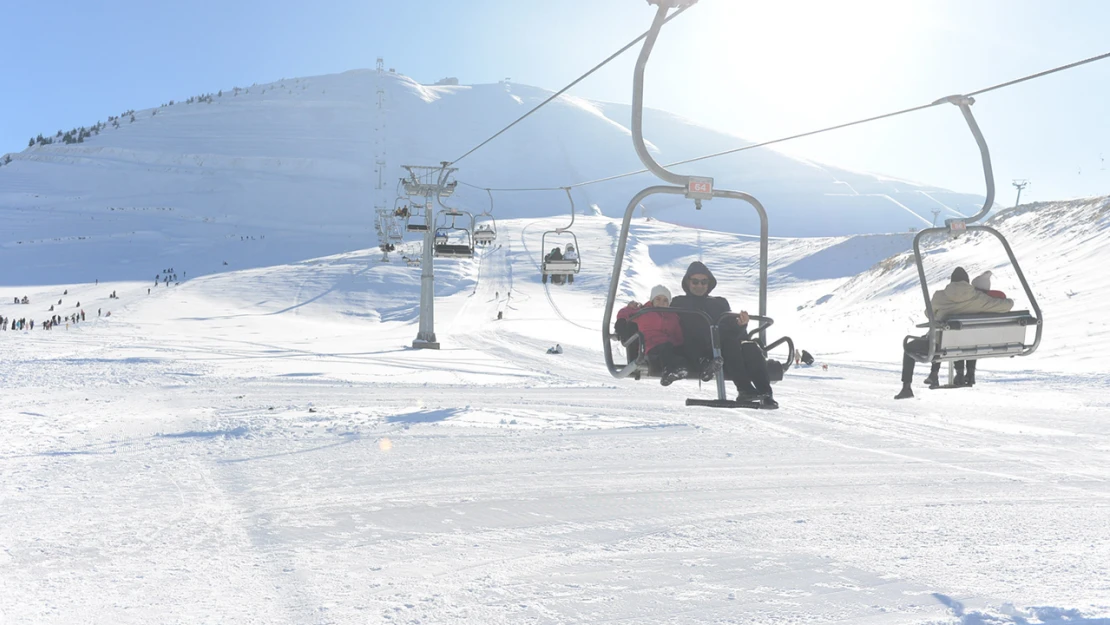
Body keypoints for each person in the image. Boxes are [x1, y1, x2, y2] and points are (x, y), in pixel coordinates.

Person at [671, 261, 777, 409]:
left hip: (725, 350)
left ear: (709, 283)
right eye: (695, 281)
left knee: (750, 347)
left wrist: (740, 324)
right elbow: (660, 317)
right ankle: (744, 387)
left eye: (704, 282)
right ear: (687, 282)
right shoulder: (678, 302)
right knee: (727, 343)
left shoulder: (719, 303)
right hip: (695, 349)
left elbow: (731, 329)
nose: (699, 285)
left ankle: (765, 394)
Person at [896, 267, 1014, 399]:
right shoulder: (978, 298)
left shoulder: (939, 296)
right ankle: (965, 374)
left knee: (909, 347)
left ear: (951, 282)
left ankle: (906, 388)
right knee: (966, 338)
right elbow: (1007, 306)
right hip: (970, 344)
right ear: (967, 282)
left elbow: (928, 314)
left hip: (940, 346)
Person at [636, 286, 690, 386]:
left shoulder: (672, 315)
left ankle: (681, 369)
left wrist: (681, 345)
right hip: (651, 346)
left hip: (668, 345)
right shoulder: (644, 311)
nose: (662, 303)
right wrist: (622, 320)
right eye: (658, 299)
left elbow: (677, 332)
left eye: (665, 300)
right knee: (665, 349)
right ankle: (668, 371)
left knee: (675, 352)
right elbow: (628, 314)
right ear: (652, 300)